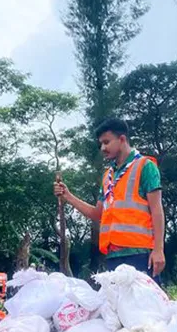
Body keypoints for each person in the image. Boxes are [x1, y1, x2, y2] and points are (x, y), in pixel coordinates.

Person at [53, 118, 166, 279]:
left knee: (143, 304)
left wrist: (159, 249)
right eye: (101, 144)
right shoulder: (108, 176)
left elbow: (157, 210)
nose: (103, 148)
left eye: (106, 142)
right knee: (116, 304)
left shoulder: (145, 167)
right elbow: (97, 214)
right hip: (113, 256)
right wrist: (68, 196)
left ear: (122, 139)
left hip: (140, 254)